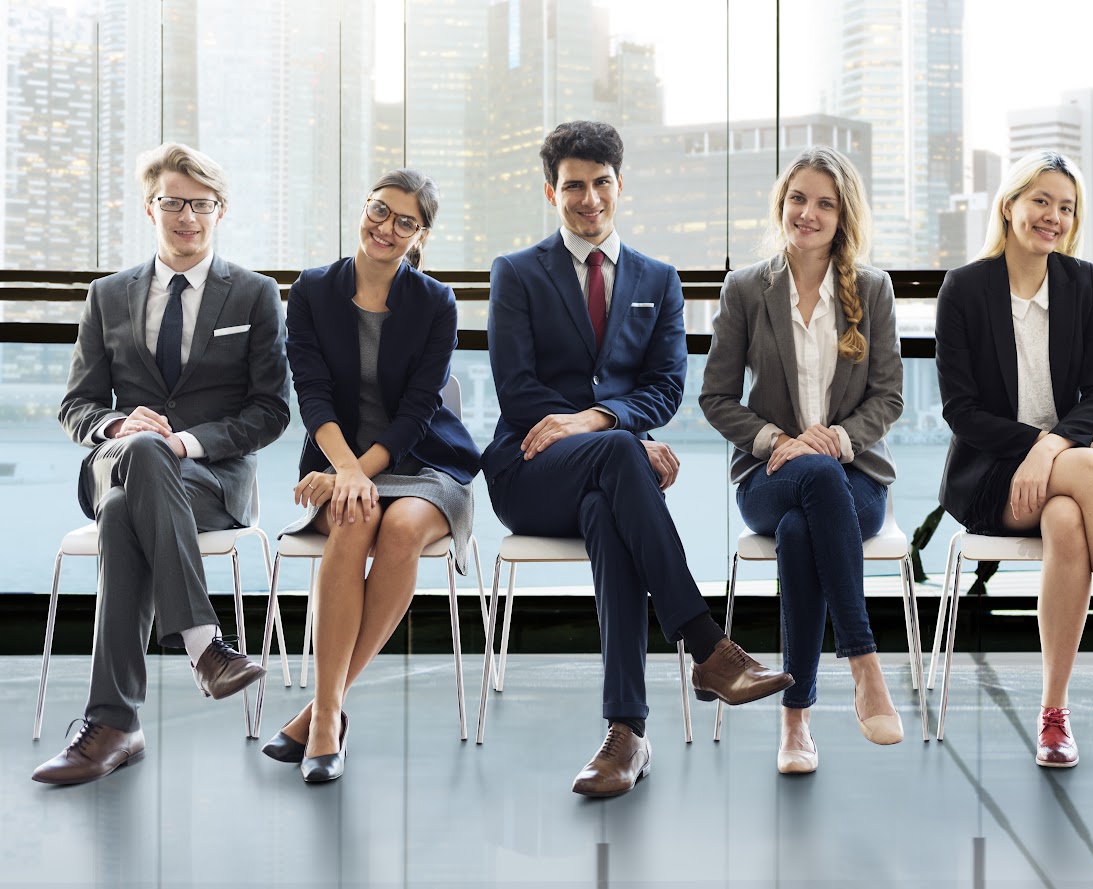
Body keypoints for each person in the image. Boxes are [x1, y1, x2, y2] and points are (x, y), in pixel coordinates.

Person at [484, 120, 793, 798]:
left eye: (601, 184)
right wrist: (611, 438)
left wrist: (600, 422)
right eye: (573, 186)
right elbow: (516, 388)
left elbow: (666, 386)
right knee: (620, 463)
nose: (588, 198)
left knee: (611, 506)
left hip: (607, 475)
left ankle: (625, 735)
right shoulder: (516, 273)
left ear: (619, 185)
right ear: (550, 191)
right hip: (528, 473)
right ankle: (708, 646)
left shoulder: (659, 278)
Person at [36, 143, 290, 785]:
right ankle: (206, 647)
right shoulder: (107, 295)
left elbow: (270, 412)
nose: (187, 216)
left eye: (201, 204)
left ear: (220, 211)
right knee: (140, 455)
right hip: (121, 460)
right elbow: (77, 405)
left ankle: (114, 725)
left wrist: (188, 442)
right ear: (150, 208)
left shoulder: (255, 296)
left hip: (210, 479)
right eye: (173, 202)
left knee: (126, 512)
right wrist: (119, 425)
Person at [935, 150, 1093, 769]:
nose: (1053, 216)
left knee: (1068, 521)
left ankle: (1054, 716)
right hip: (990, 472)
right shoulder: (966, 288)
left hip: (1067, 473)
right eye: (1041, 201)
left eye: (1066, 207)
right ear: (1010, 206)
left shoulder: (1082, 284)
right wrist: (1041, 446)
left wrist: (1053, 445)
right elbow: (961, 411)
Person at [258, 169, 480, 783]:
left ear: (420, 235)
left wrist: (356, 474)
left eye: (405, 221)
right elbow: (315, 395)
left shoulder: (435, 302)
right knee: (357, 518)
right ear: (364, 208)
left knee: (402, 526)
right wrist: (345, 473)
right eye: (379, 210)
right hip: (337, 459)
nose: (386, 227)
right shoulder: (310, 291)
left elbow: (417, 413)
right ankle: (328, 717)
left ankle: (322, 713)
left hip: (427, 462)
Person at [700, 147, 905, 774]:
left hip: (854, 480)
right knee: (803, 486)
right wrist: (774, 442)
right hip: (767, 476)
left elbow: (889, 395)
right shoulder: (745, 290)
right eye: (798, 199)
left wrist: (837, 440)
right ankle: (865, 664)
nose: (808, 213)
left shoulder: (871, 289)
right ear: (781, 203)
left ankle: (796, 721)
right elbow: (714, 397)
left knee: (802, 526)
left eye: (825, 203)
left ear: (843, 216)